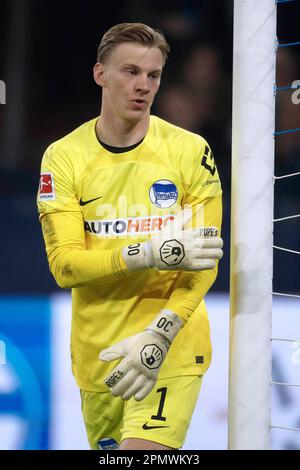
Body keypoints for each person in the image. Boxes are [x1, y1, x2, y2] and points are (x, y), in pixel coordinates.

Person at [37, 22, 223, 451]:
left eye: (153, 75)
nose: (143, 86)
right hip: (98, 355)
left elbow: (205, 258)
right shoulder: (63, 157)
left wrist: (161, 332)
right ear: (100, 74)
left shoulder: (190, 151)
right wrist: (147, 252)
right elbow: (66, 267)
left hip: (171, 344)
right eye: (131, 71)